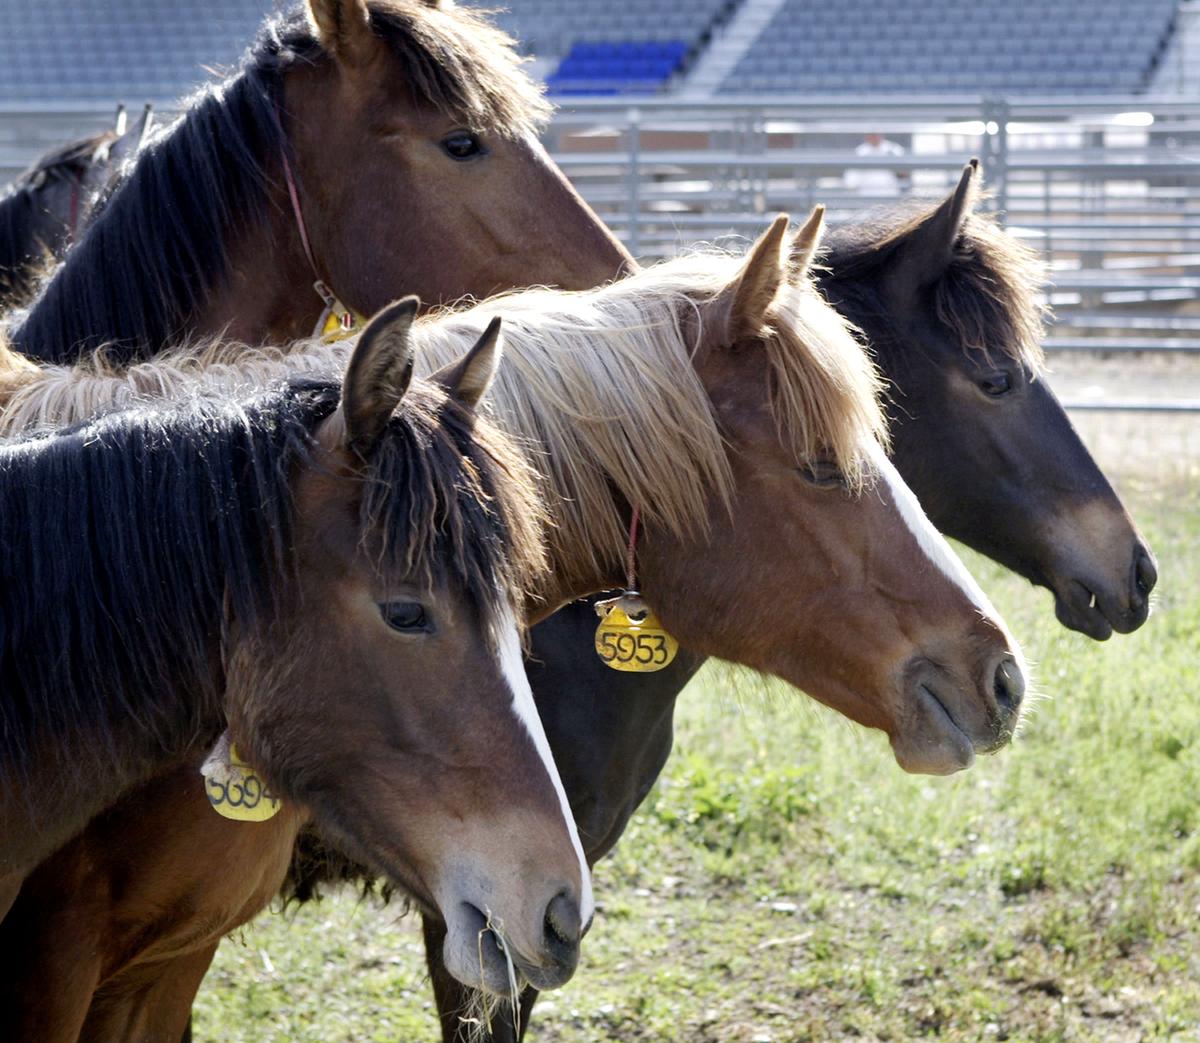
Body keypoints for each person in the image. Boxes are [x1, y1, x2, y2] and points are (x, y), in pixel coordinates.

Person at [844, 132, 906, 197]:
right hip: (866, 196)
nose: (874, 137)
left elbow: (904, 173)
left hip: (890, 194)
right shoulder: (859, 152)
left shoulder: (893, 149)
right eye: (871, 134)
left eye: (876, 133)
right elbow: (851, 180)